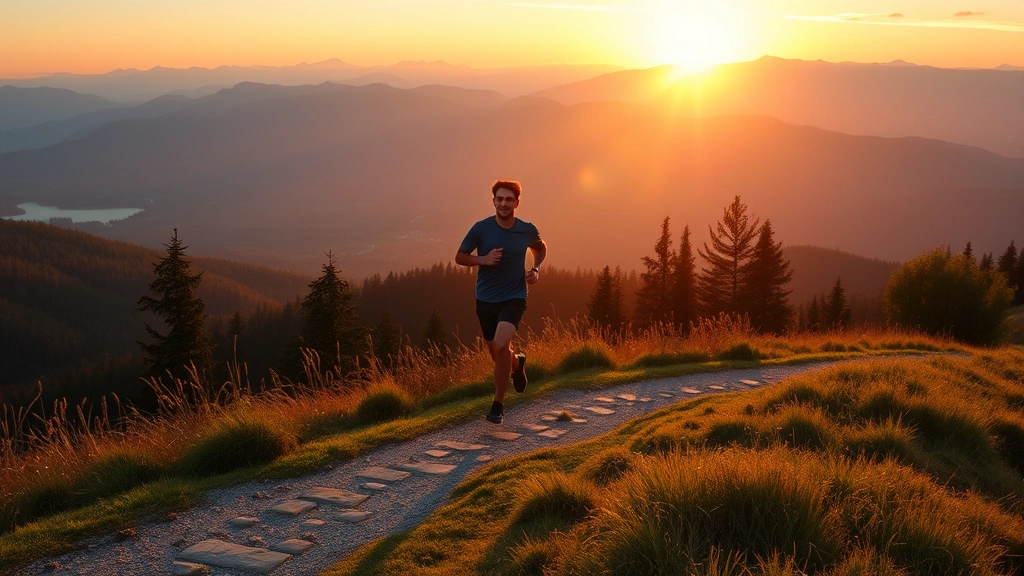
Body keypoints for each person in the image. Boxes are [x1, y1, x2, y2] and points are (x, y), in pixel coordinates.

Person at [456, 180, 547, 424]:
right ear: (494, 201)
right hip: (485, 299)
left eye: (509, 199)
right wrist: (483, 259)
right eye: (500, 199)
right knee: (498, 354)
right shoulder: (481, 229)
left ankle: (498, 404)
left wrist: (536, 268)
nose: (504, 203)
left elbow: (540, 248)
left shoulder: (526, 230)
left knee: (500, 344)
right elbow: (460, 257)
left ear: (517, 202)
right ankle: (518, 363)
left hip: (515, 296)